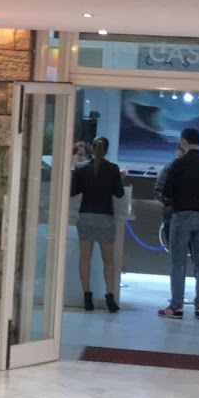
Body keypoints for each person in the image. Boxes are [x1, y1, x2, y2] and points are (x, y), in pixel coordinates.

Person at [155, 126, 199, 320]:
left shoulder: (177, 165)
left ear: (183, 141)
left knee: (177, 262)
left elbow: (166, 193)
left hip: (181, 214)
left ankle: (176, 305)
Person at [70, 134, 125, 313]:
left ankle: (87, 297)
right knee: (108, 261)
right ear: (106, 150)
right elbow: (119, 194)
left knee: (85, 258)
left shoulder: (81, 168)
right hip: (105, 217)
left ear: (91, 149)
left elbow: (72, 192)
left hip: (86, 215)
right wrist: (120, 178)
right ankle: (110, 297)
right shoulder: (112, 169)